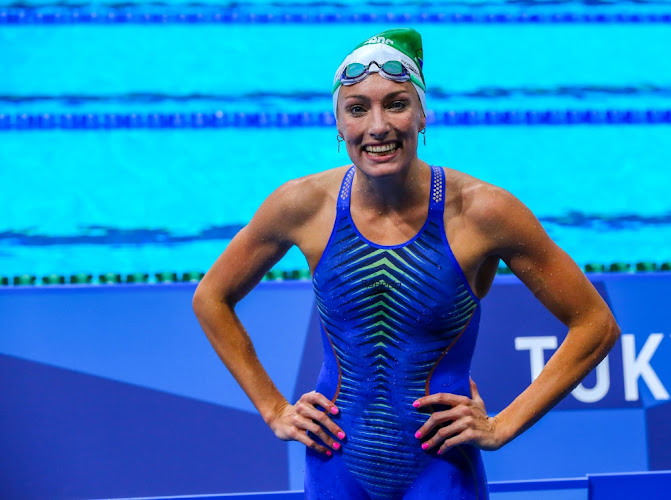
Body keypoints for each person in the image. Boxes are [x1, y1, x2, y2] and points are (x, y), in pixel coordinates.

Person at [192, 28, 620, 500]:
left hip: (440, 472)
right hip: (335, 465)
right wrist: (274, 409)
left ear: (421, 116)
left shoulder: (483, 212)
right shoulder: (303, 205)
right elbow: (211, 297)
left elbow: (595, 324)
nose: (378, 127)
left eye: (396, 104)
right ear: (338, 124)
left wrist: (502, 427)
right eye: (357, 109)